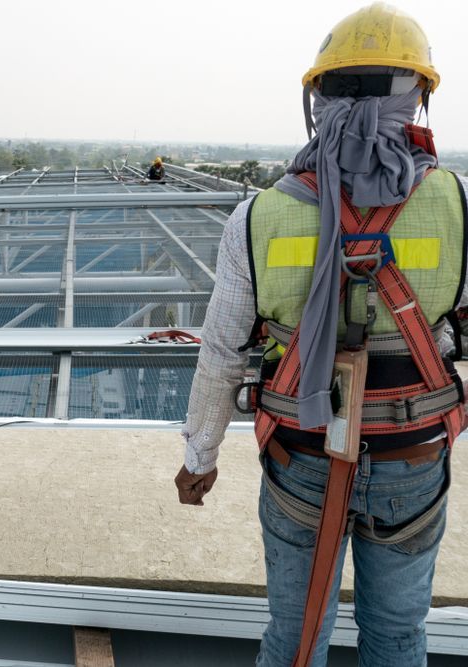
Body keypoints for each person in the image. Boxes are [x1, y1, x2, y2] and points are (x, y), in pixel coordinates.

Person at [174, 4, 466, 665]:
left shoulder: (258, 217)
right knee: (398, 637)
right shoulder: (460, 207)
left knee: (294, 634)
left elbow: (221, 354)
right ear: (417, 97)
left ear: (319, 99)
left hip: (300, 456)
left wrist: (200, 458)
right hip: (412, 457)